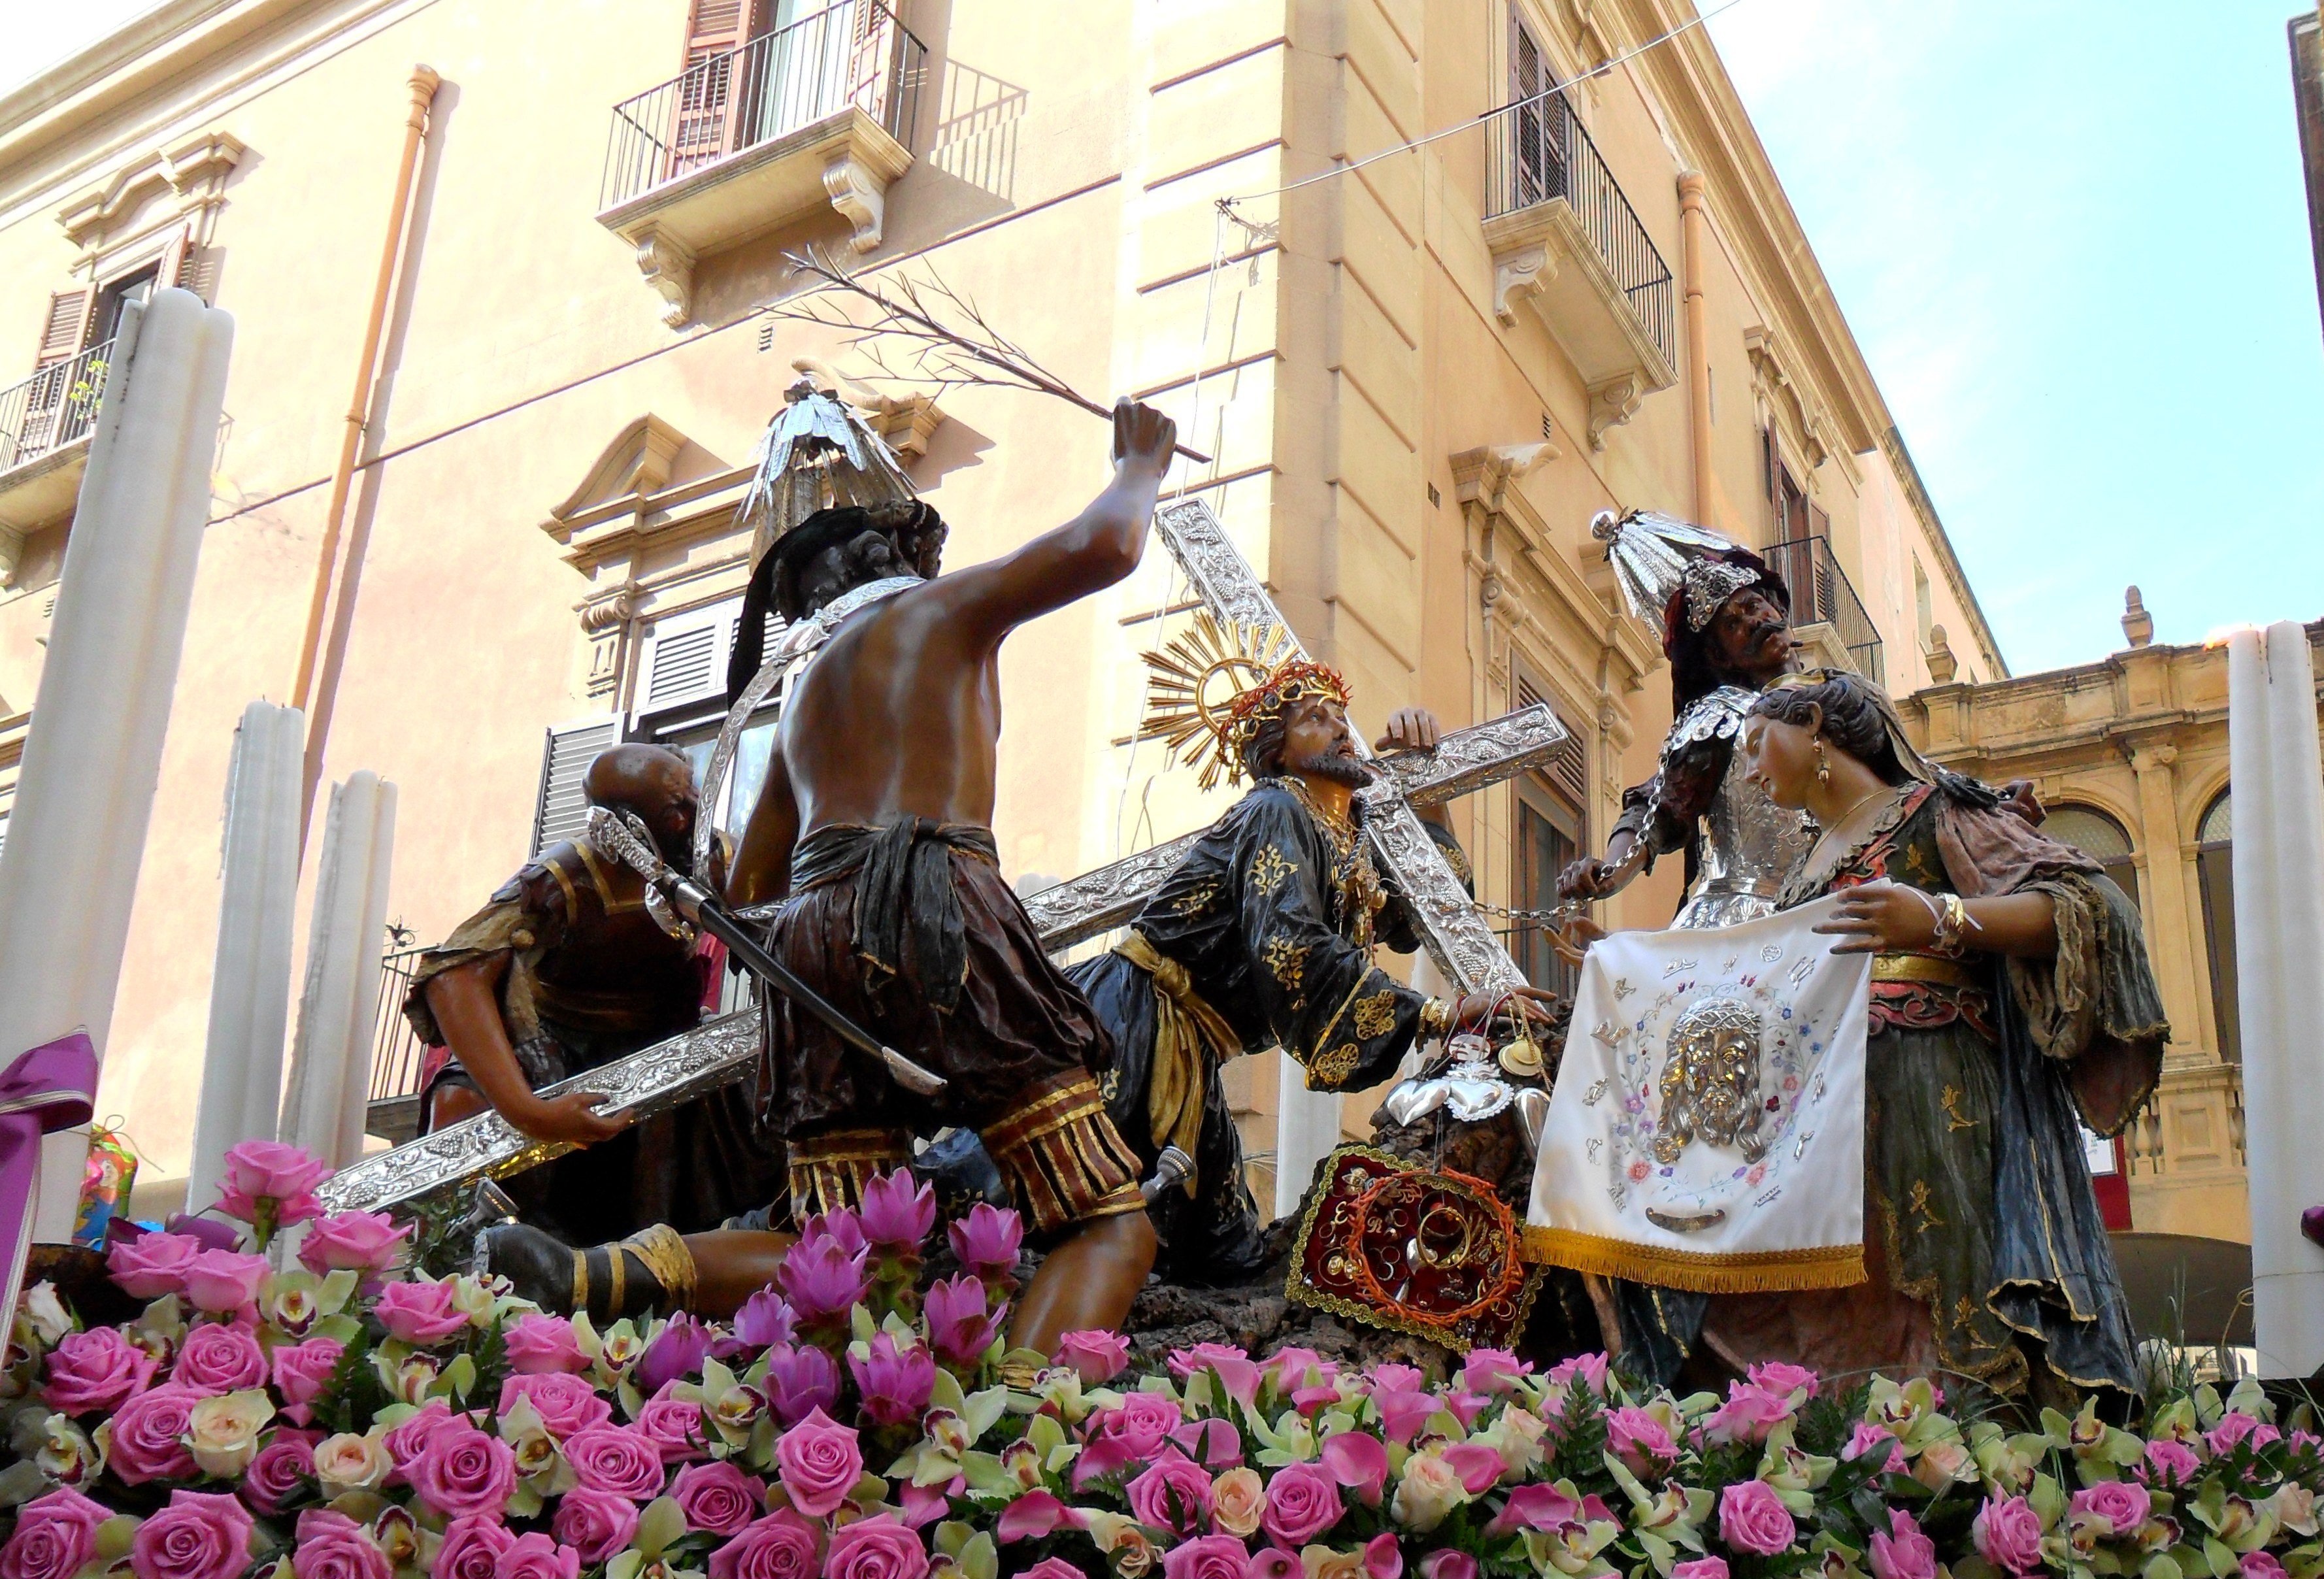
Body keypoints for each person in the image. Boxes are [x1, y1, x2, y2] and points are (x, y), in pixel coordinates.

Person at [480, 399, 1178, 1355]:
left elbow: (753, 885)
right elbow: (1107, 546)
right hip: (941, 907)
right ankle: (1026, 1432)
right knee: (1105, 1218)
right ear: (893, 548)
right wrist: (1141, 463)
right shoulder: (940, 612)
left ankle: (607, 1272)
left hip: (811, 947)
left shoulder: (800, 706)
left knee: (836, 1247)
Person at [1708, 669, 2165, 1403]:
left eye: (1759, 744)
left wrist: (1940, 917)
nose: (1752, 770)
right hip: (1821, 1120)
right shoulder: (1801, 867)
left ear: (1816, 725)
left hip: (1933, 1087)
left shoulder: (1936, 808)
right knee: (1836, 1318)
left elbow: (2090, 907)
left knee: (1944, 1297)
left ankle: (1976, 1466)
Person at [1071, 676, 1535, 1284]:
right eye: (1315, 718)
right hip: (1131, 1023)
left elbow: (1421, 912)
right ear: (1276, 751)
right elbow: (1289, 947)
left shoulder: (1346, 839)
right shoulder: (1275, 810)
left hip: (1195, 1050)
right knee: (1063, 1197)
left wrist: (1426, 786)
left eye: (1342, 714)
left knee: (1225, 1257)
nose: (1342, 728)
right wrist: (1437, 1016)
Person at [407, 744, 780, 1248]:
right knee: (458, 1105)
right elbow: (455, 973)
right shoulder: (562, 875)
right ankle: (452, 1264)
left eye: (695, 795)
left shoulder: (713, 859)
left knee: (778, 1085)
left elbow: (772, 915)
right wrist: (526, 1109)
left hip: (666, 1039)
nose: (695, 815)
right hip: (559, 1043)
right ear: (621, 827)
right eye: (677, 810)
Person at [1559, 521, 1810, 927]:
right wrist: (1612, 868)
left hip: (1848, 900)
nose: (1752, 622)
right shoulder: (1720, 719)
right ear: (1724, 658)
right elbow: (1659, 808)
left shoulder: (1849, 697)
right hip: (1746, 921)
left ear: (1776, 608)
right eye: (1731, 624)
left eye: (1752, 607)